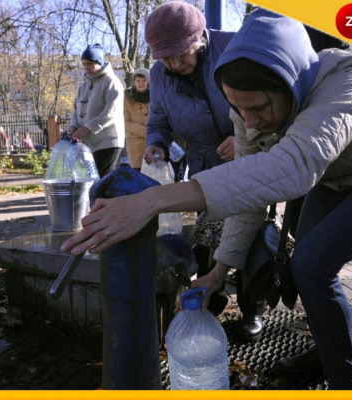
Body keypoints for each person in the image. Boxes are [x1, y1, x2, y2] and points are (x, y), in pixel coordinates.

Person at [61, 9, 352, 390]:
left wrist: (155, 199)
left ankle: (347, 380)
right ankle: (329, 348)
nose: (249, 121)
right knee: (307, 263)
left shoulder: (348, 83)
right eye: (239, 111)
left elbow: (291, 167)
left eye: (258, 108)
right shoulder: (246, 108)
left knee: (312, 265)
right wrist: (215, 274)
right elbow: (248, 198)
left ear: (290, 84)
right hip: (337, 174)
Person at [141, 1, 267, 338]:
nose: (174, 63)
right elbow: (158, 123)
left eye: (180, 53)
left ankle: (252, 308)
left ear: (200, 39)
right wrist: (157, 143)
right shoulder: (159, 75)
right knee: (207, 238)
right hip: (204, 169)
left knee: (248, 233)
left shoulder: (234, 48)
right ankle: (214, 296)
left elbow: (268, 105)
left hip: (250, 160)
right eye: (164, 57)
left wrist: (244, 139)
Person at [68, 43, 125, 177]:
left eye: (90, 63)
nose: (86, 67)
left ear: (99, 62)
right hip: (89, 144)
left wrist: (87, 128)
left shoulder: (111, 82)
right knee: (93, 183)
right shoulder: (84, 86)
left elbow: (111, 113)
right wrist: (73, 126)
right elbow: (76, 111)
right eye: (84, 64)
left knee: (103, 183)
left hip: (108, 142)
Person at [123, 67, 150, 170]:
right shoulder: (126, 98)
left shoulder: (155, 96)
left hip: (152, 142)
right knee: (137, 174)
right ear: (134, 82)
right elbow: (125, 122)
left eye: (143, 80)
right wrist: (145, 132)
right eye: (138, 81)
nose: (141, 83)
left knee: (153, 174)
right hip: (135, 144)